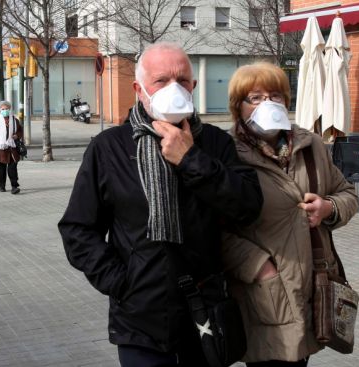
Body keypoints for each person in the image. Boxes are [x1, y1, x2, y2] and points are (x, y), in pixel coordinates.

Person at [58, 42, 263, 367]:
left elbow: (248, 207)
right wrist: (121, 282)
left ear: (193, 87)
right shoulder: (108, 149)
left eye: (182, 81)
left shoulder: (215, 143)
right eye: (161, 81)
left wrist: (190, 159)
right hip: (140, 319)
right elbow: (77, 230)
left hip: (205, 314)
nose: (174, 88)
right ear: (140, 90)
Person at [221, 62, 359, 367]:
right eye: (255, 98)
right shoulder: (224, 152)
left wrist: (329, 208)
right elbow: (214, 227)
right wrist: (258, 266)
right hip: (262, 292)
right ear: (237, 107)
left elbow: (348, 193)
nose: (267, 104)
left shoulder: (311, 146)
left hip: (311, 288)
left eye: (275, 96)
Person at [0, 100, 23, 194]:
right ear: (0, 110)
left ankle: (14, 186)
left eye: (7, 109)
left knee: (12, 168)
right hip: (0, 149)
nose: (5, 110)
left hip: (12, 148)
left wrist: (17, 136)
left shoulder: (15, 120)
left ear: (10, 109)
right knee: (1, 169)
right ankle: (2, 186)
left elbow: (20, 130)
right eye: (3, 109)